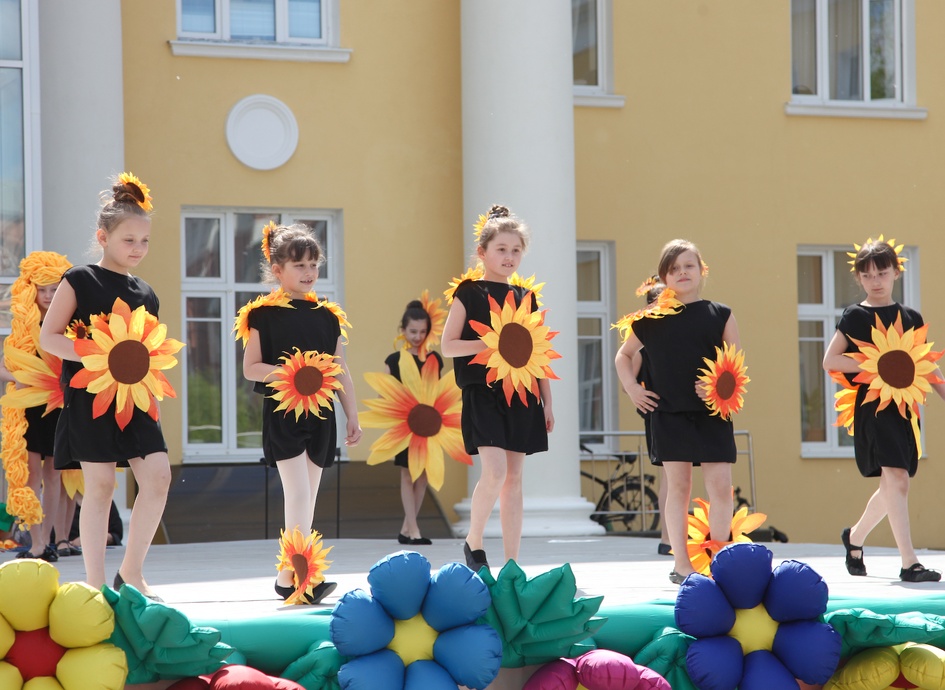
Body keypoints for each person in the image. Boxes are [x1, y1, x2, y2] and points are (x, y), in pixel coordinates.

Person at [40, 172, 173, 600]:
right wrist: (100, 354)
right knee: (99, 486)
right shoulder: (79, 279)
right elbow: (49, 338)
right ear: (103, 237)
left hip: (136, 399)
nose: (138, 248)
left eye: (144, 241)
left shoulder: (146, 292)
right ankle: (95, 583)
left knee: (158, 477)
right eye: (128, 240)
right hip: (89, 396)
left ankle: (131, 572)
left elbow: (147, 350)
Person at [237, 222, 361, 604]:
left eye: (313, 264)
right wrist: (293, 374)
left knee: (308, 500)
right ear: (278, 270)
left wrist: (352, 414)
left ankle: (285, 577)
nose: (308, 272)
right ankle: (305, 578)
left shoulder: (328, 316)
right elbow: (251, 368)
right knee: (298, 494)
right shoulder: (263, 315)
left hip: (321, 415)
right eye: (299, 265)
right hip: (284, 414)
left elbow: (340, 368)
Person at [615, 239, 739, 585]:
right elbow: (623, 356)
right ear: (663, 277)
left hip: (713, 412)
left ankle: (719, 561)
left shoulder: (721, 314)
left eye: (688, 266)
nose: (682, 273)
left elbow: (734, 364)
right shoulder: (650, 319)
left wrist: (718, 385)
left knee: (721, 486)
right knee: (679, 488)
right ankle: (682, 564)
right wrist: (633, 389)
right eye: (674, 269)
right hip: (668, 412)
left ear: (701, 270)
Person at [823, 237, 945, 582]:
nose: (875, 280)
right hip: (873, 408)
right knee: (898, 479)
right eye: (867, 275)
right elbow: (830, 360)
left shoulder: (910, 317)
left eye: (882, 272)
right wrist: (875, 363)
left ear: (896, 272)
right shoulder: (856, 316)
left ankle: (855, 537)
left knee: (893, 484)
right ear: (859, 278)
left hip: (904, 409)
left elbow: (925, 363)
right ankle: (909, 563)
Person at [441, 204, 555, 571]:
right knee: (494, 472)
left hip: (523, 394)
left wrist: (547, 401)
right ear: (482, 252)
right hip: (483, 393)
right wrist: (492, 344)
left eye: (516, 250)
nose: (509, 256)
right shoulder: (468, 293)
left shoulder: (526, 297)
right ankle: (474, 541)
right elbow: (448, 345)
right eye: (501, 249)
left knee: (515, 478)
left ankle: (512, 564)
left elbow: (538, 352)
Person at [0, 250, 74, 562]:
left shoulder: (71, 325)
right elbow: (4, 367)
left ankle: (51, 540)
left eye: (54, 289)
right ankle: (37, 543)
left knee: (54, 475)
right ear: (32, 290)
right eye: (42, 289)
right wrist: (22, 377)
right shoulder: (23, 326)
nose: (47, 295)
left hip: (61, 405)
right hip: (30, 407)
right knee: (31, 475)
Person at [385, 298, 445, 546]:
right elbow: (386, 393)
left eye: (422, 332)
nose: (418, 337)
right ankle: (414, 531)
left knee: (423, 477)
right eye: (413, 331)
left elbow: (438, 391)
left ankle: (407, 529)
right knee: (407, 476)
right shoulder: (394, 360)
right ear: (403, 330)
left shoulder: (435, 359)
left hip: (429, 426)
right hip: (405, 426)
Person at [633, 275, 671, 556]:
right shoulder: (643, 336)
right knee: (671, 475)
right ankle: (668, 537)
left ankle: (669, 538)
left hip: (669, 406)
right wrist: (638, 393)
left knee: (673, 477)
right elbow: (628, 374)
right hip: (660, 409)